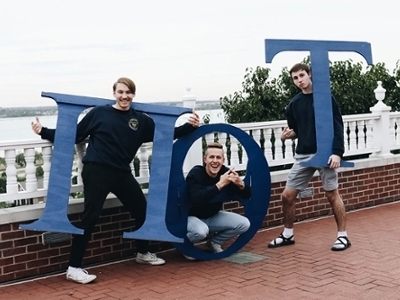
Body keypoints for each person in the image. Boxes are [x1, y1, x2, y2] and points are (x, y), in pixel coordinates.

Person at [31, 77, 200, 284]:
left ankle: (142, 253)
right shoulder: (99, 113)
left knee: (143, 212)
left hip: (121, 172)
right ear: (114, 93)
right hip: (97, 170)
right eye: (120, 92)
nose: (124, 96)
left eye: (128, 92)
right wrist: (44, 132)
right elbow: (74, 135)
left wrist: (189, 127)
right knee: (90, 218)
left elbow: (164, 135)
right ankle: (73, 267)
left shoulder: (141, 120)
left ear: (133, 95)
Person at [268, 63, 351, 252]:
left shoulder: (325, 98)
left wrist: (337, 152)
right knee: (287, 196)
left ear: (309, 74)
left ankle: (343, 237)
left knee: (332, 194)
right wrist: (288, 135)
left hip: (325, 153)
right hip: (303, 155)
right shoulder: (294, 104)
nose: (299, 80)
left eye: (302, 75)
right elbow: (297, 131)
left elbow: (337, 127)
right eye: (295, 78)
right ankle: (287, 234)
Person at [185, 142, 251, 259]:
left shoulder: (225, 172)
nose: (215, 161)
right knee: (200, 231)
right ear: (204, 159)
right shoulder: (196, 173)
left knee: (244, 224)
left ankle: (213, 242)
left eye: (218, 157)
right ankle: (185, 247)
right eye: (211, 157)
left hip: (212, 216)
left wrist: (240, 184)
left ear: (223, 160)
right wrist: (220, 184)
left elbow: (247, 195)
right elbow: (197, 198)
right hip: (191, 217)